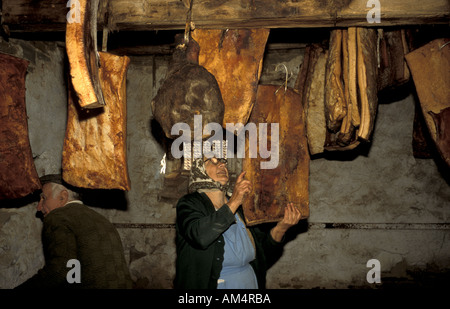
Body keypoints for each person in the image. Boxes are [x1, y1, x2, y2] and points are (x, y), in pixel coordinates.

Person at [174, 157, 302, 289]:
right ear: (198, 170)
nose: (222, 164)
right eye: (212, 162)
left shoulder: (241, 207)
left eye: (223, 162)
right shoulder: (189, 203)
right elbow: (200, 236)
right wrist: (235, 201)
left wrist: (281, 228)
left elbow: (262, 256)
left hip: (249, 282)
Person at [16, 174, 132, 289]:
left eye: (43, 198)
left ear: (63, 197)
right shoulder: (101, 220)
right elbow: (74, 271)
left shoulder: (58, 217)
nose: (39, 207)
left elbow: (60, 271)